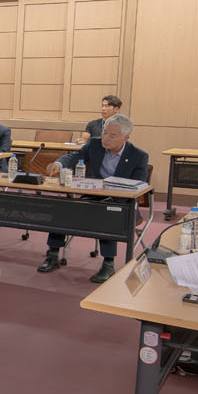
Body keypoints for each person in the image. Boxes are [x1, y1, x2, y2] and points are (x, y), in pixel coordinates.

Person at [38, 113, 148, 283]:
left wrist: (116, 192)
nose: (106, 138)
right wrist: (58, 164)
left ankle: (108, 264)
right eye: (104, 132)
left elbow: (139, 184)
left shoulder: (138, 156)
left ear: (126, 138)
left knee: (107, 214)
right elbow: (74, 156)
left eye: (112, 135)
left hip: (122, 202)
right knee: (62, 208)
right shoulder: (95, 144)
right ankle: (52, 255)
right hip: (94, 196)